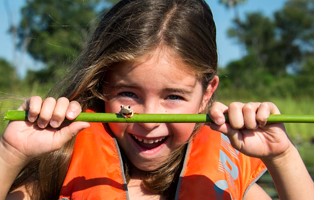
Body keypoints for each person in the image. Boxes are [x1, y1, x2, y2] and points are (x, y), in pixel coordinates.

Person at [0, 0, 313, 199]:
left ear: (206, 94)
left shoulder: (227, 184)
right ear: (103, 87)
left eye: (173, 96)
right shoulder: (59, 168)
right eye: (128, 93)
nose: (149, 119)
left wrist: (282, 157)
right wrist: (10, 154)